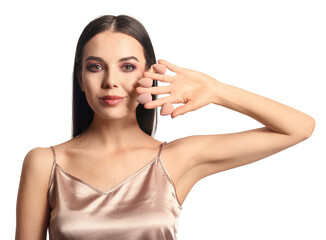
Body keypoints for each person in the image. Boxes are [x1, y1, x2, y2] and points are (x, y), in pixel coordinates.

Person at [15, 14, 315, 240]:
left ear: (149, 75)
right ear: (80, 78)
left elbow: (299, 128)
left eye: (127, 66)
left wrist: (215, 90)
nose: (110, 81)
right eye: (95, 67)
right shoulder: (45, 163)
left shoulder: (176, 158)